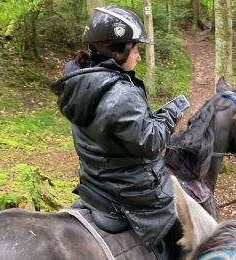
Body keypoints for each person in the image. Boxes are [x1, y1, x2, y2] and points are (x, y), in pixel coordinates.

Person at [51, 6, 183, 258]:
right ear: (116, 50)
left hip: (96, 181)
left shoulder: (82, 83)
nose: (139, 57)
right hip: (129, 188)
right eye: (135, 49)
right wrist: (173, 110)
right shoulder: (121, 94)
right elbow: (151, 142)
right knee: (183, 232)